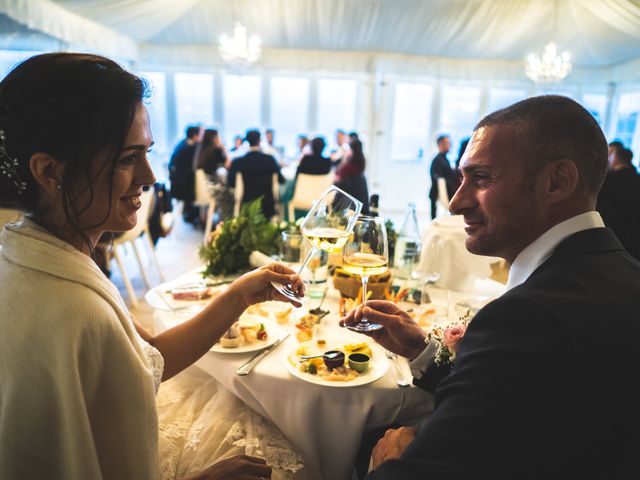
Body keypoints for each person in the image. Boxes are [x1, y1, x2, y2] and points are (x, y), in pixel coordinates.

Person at [0, 53, 306, 479]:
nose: (149, 176)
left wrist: (239, 294)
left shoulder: (34, 251)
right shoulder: (71, 311)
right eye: (127, 158)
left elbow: (151, 357)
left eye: (147, 153)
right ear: (50, 171)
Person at [342, 95, 640, 478]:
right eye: (461, 178)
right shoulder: (624, 272)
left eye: (481, 178)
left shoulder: (526, 316)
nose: (455, 202)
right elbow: (525, 401)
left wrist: (391, 461)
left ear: (558, 181)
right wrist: (422, 351)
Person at [228, 129, 285, 218]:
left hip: (246, 204)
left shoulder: (238, 162)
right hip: (267, 206)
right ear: (260, 141)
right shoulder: (270, 160)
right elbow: (281, 180)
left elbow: (230, 183)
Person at [597, 147, 640, 259]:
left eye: (610, 155)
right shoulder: (636, 178)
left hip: (609, 233)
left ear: (616, 158)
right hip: (634, 238)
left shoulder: (609, 180)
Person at [169, 125, 200, 223]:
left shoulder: (183, 143)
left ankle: (190, 212)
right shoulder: (190, 147)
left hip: (176, 176)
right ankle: (191, 214)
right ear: (195, 136)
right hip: (181, 180)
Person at [334, 138, 369, 214]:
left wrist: (344, 158)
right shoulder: (361, 161)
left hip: (349, 204)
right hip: (361, 202)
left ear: (351, 150)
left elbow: (337, 182)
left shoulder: (347, 167)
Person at [428, 134, 457, 219]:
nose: (449, 145)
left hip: (445, 191)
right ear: (440, 144)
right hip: (438, 191)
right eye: (447, 142)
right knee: (433, 216)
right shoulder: (437, 160)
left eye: (449, 142)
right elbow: (437, 178)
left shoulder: (444, 159)